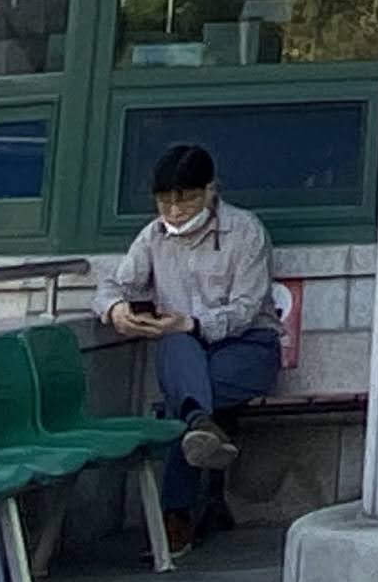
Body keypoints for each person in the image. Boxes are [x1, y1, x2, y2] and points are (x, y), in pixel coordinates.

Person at [99, 141, 278, 544]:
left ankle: (176, 512)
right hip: (185, 351)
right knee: (176, 348)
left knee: (183, 394)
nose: (175, 211)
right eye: (165, 202)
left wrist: (193, 322)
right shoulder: (153, 236)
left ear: (210, 191)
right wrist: (115, 309)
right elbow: (113, 284)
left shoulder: (246, 231)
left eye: (186, 200)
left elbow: (247, 308)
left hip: (247, 347)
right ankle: (202, 429)